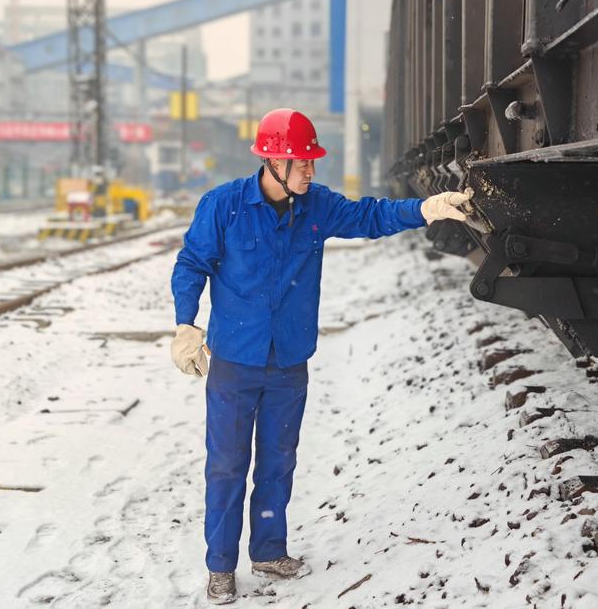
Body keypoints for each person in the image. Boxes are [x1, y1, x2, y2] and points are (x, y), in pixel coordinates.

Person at [170, 108, 471, 605]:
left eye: (312, 161)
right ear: (272, 161)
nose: (311, 170)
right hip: (233, 363)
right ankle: (220, 566)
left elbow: (371, 215)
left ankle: (268, 550)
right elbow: (192, 263)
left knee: (278, 461)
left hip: (288, 363)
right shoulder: (222, 206)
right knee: (225, 465)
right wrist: (185, 324)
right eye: (301, 161)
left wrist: (425, 209)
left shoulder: (317, 207)